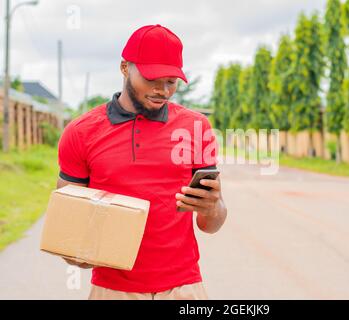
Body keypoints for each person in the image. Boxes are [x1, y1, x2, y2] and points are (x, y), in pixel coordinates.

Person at [56, 24, 227, 300]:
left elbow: (211, 224)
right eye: (152, 78)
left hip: (183, 288)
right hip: (113, 289)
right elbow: (67, 227)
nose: (163, 90)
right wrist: (76, 252)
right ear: (124, 67)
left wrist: (214, 206)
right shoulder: (81, 133)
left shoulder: (196, 127)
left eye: (171, 81)